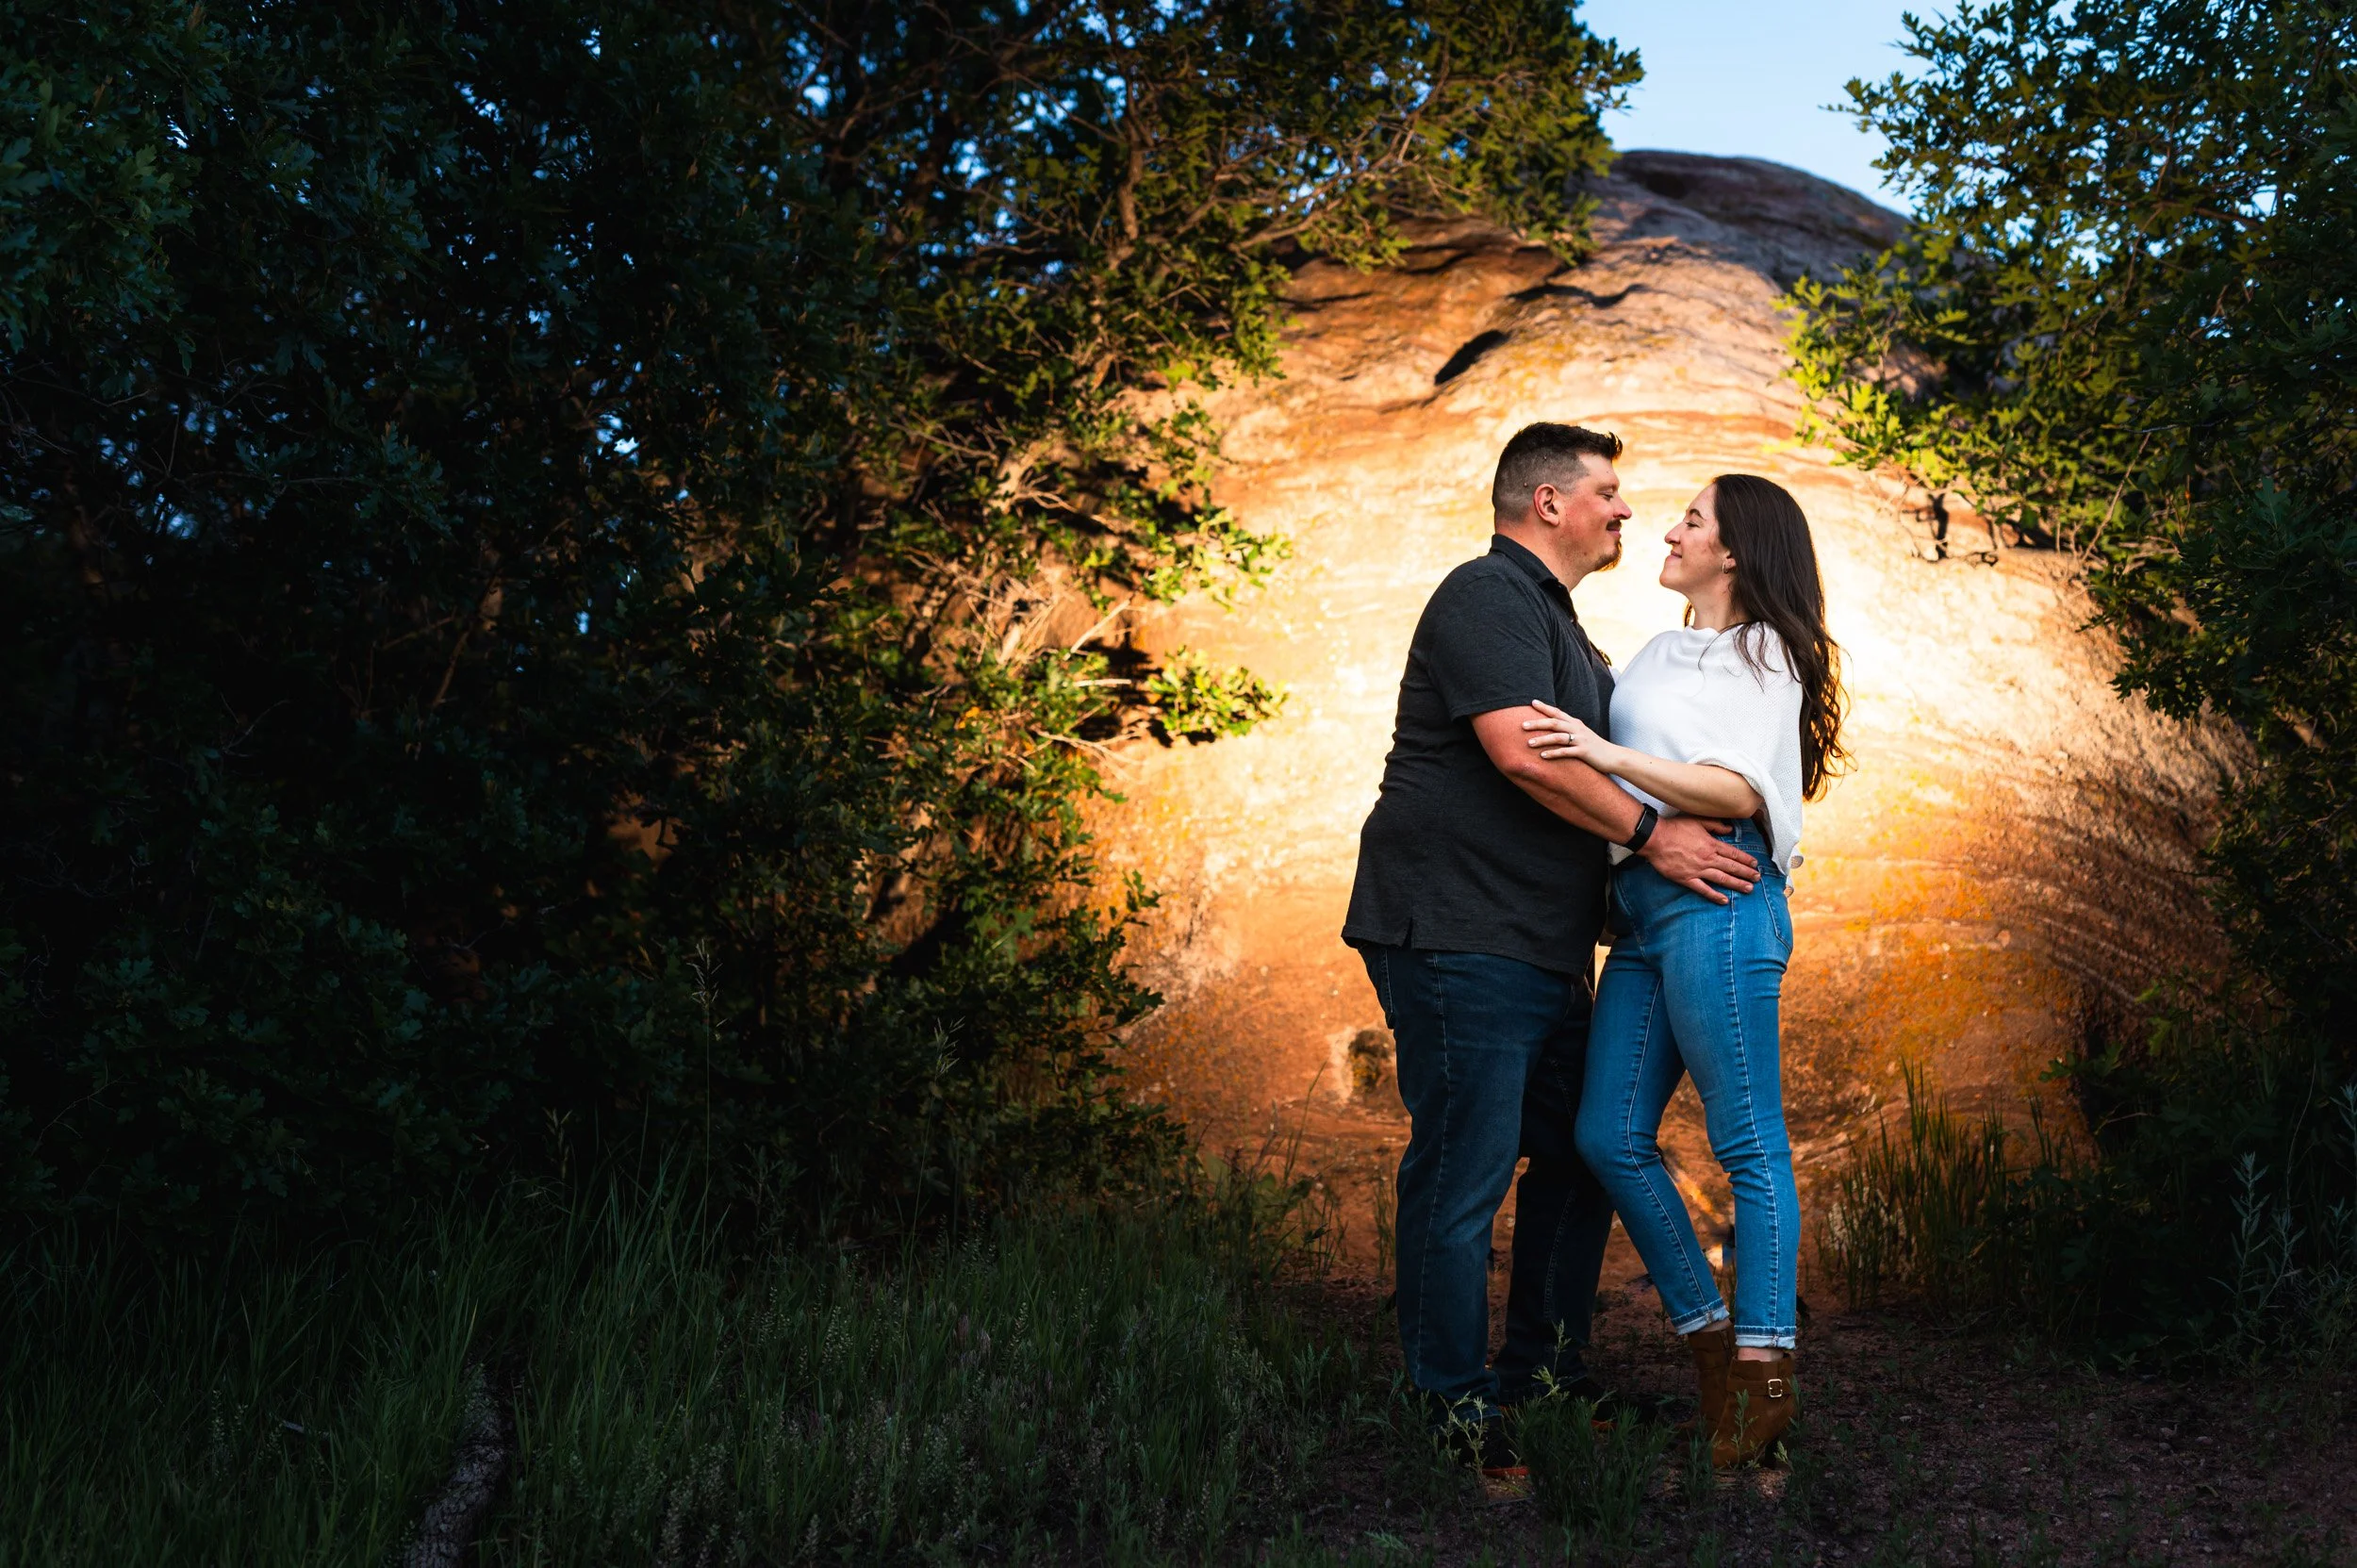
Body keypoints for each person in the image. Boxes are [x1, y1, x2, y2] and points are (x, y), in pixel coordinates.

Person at [1343, 423, 1763, 1470]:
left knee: (1584, 1151)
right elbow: (1517, 753)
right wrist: (1653, 837)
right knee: (1462, 1172)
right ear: (1546, 503)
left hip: (1536, 948)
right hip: (1455, 933)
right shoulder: (1484, 596)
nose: (1626, 511)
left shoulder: (1566, 635)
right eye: (1609, 493)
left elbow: (1609, 767)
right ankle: (1449, 1410)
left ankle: (1543, 1380)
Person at [1520, 472, 1848, 1465]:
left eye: (1691, 520)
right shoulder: (1660, 651)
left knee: (1747, 1140)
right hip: (1644, 913)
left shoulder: (1768, 653)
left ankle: (1766, 1372)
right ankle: (1713, 1346)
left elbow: (1732, 786)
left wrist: (1597, 751)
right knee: (1606, 1133)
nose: (1666, 530)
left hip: (1723, 900)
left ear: (1737, 549)